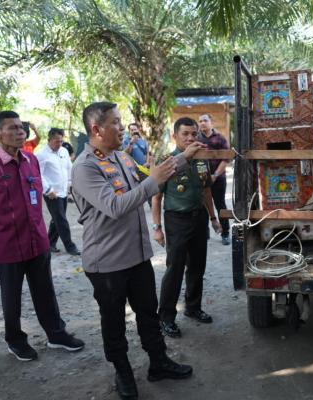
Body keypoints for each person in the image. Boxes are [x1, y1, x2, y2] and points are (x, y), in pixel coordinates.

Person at [72, 102, 205, 399]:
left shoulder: (122, 157)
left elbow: (149, 179)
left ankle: (158, 363)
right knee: (114, 322)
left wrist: (183, 157)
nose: (122, 128)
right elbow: (115, 206)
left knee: (148, 314)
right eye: (116, 123)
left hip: (137, 256)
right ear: (97, 129)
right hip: (107, 263)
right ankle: (123, 373)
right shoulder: (85, 167)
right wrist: (154, 181)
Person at [0, 110, 84, 362]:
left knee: (45, 291)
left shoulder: (31, 159)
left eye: (21, 127)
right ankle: (15, 340)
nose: (20, 132)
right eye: (13, 128)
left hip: (37, 242)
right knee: (11, 296)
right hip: (6, 246)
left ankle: (56, 334)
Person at [151, 117, 221, 338]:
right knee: (174, 269)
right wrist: (157, 227)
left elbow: (207, 192)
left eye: (194, 134)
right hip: (176, 221)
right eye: (185, 134)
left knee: (197, 267)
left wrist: (213, 218)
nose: (191, 138)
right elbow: (156, 197)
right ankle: (166, 318)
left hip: (199, 218)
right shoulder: (166, 161)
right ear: (175, 136)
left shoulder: (202, 160)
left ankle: (193, 307)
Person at [36, 128, 80, 256]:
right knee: (61, 219)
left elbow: (68, 167)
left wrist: (70, 184)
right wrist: (48, 190)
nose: (59, 144)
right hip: (52, 193)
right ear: (49, 140)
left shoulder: (64, 151)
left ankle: (50, 243)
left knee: (57, 218)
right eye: (56, 141)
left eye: (61, 141)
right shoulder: (42, 155)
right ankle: (70, 246)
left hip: (63, 190)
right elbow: (38, 174)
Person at [197, 114, 231, 245]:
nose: (202, 123)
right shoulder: (196, 139)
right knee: (203, 205)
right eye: (200, 121)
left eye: (205, 120)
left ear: (211, 122)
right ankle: (204, 232)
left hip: (218, 178)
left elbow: (226, 158)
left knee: (220, 205)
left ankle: (225, 233)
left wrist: (215, 175)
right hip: (201, 179)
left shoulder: (220, 138)